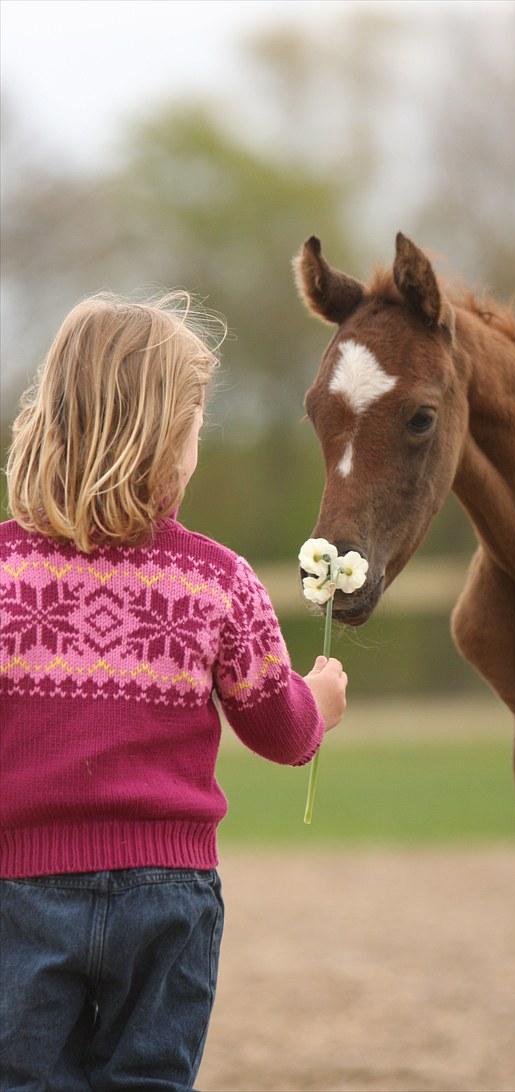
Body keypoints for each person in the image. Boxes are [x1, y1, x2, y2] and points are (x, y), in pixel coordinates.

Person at [0, 291, 347, 1091]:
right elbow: (281, 733)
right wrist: (318, 703)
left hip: (19, 889)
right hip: (169, 895)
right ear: (162, 443)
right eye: (194, 432)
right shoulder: (216, 579)